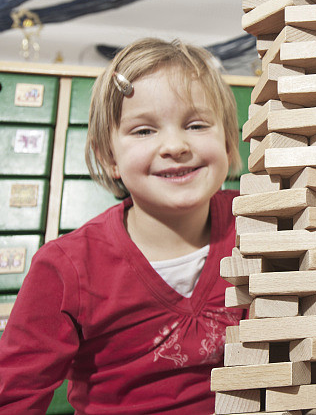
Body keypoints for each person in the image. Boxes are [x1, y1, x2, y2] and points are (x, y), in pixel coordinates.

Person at [0, 38, 246, 413]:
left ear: (229, 144)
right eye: (144, 131)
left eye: (196, 125)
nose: (175, 145)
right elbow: (14, 397)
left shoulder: (258, 224)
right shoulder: (64, 268)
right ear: (109, 157)